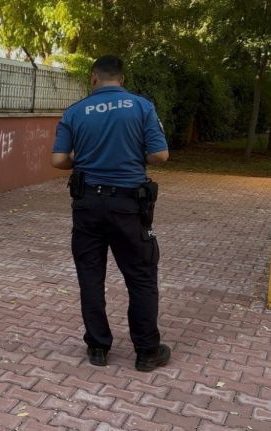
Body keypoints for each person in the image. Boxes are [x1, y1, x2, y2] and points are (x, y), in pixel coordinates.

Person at [50, 55, 171, 372]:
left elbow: (59, 159)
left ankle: (98, 348)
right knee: (141, 278)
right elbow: (159, 155)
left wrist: (83, 156)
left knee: (91, 277)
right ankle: (146, 352)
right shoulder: (141, 107)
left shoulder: (75, 112)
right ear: (122, 78)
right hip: (129, 206)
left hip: (87, 205)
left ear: (93, 78)